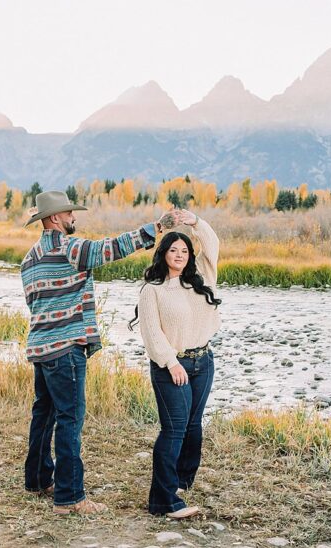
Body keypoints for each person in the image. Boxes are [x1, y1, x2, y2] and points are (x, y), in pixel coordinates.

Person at [21, 189, 166, 515]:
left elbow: (34, 304)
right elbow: (110, 248)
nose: (74, 218)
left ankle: (38, 479)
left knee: (43, 415)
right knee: (70, 420)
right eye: (70, 213)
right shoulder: (70, 248)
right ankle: (70, 498)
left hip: (40, 348)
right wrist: (152, 230)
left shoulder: (29, 259)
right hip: (66, 348)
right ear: (55, 217)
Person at [132, 208, 222, 519]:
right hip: (172, 366)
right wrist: (171, 363)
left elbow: (212, 244)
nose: (180, 255)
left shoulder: (202, 280)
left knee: (193, 427)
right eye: (174, 250)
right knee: (173, 430)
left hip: (203, 362)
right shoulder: (152, 291)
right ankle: (163, 501)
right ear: (164, 254)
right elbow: (152, 334)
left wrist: (195, 222)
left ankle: (182, 481)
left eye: (185, 251)